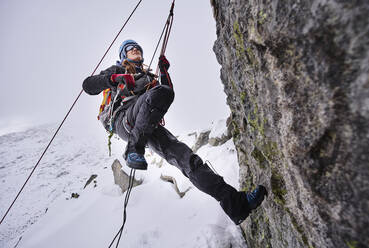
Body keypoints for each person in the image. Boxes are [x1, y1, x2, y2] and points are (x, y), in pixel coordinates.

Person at [82, 39, 267, 225]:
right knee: (160, 93)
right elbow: (88, 85)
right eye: (130, 48)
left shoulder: (147, 77)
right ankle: (133, 149)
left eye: (138, 47)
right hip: (124, 119)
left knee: (189, 161)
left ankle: (236, 205)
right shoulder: (117, 70)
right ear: (123, 55)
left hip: (147, 125)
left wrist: (163, 71)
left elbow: (165, 93)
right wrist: (114, 79)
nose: (135, 49)